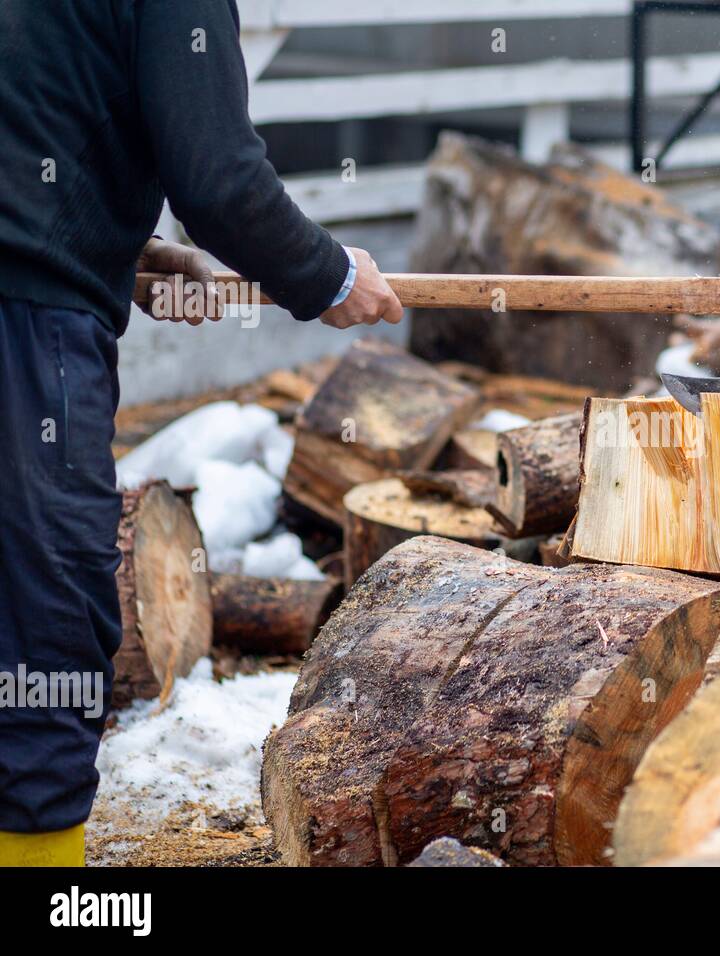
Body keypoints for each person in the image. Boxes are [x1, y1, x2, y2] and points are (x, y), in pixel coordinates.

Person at [0, 1, 403, 865]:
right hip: (28, 326)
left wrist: (124, 248)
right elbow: (219, 181)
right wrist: (329, 276)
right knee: (44, 622)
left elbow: (35, 108)